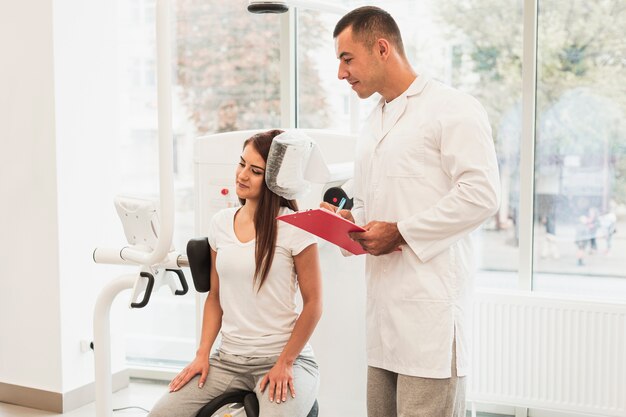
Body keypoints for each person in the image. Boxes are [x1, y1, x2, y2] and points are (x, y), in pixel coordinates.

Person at [323, 6, 500, 417]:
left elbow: (482, 194)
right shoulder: (373, 123)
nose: (341, 74)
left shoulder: (452, 108)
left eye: (346, 59)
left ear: (382, 48)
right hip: (382, 324)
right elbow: (368, 202)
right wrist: (348, 223)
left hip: (430, 323)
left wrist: (400, 232)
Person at [148, 130, 322, 417]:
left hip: (284, 358)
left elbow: (314, 304)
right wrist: (202, 354)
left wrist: (286, 362)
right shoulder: (221, 223)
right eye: (241, 164)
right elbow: (215, 297)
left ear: (275, 179)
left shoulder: (296, 228)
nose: (242, 175)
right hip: (228, 360)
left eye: (255, 171)